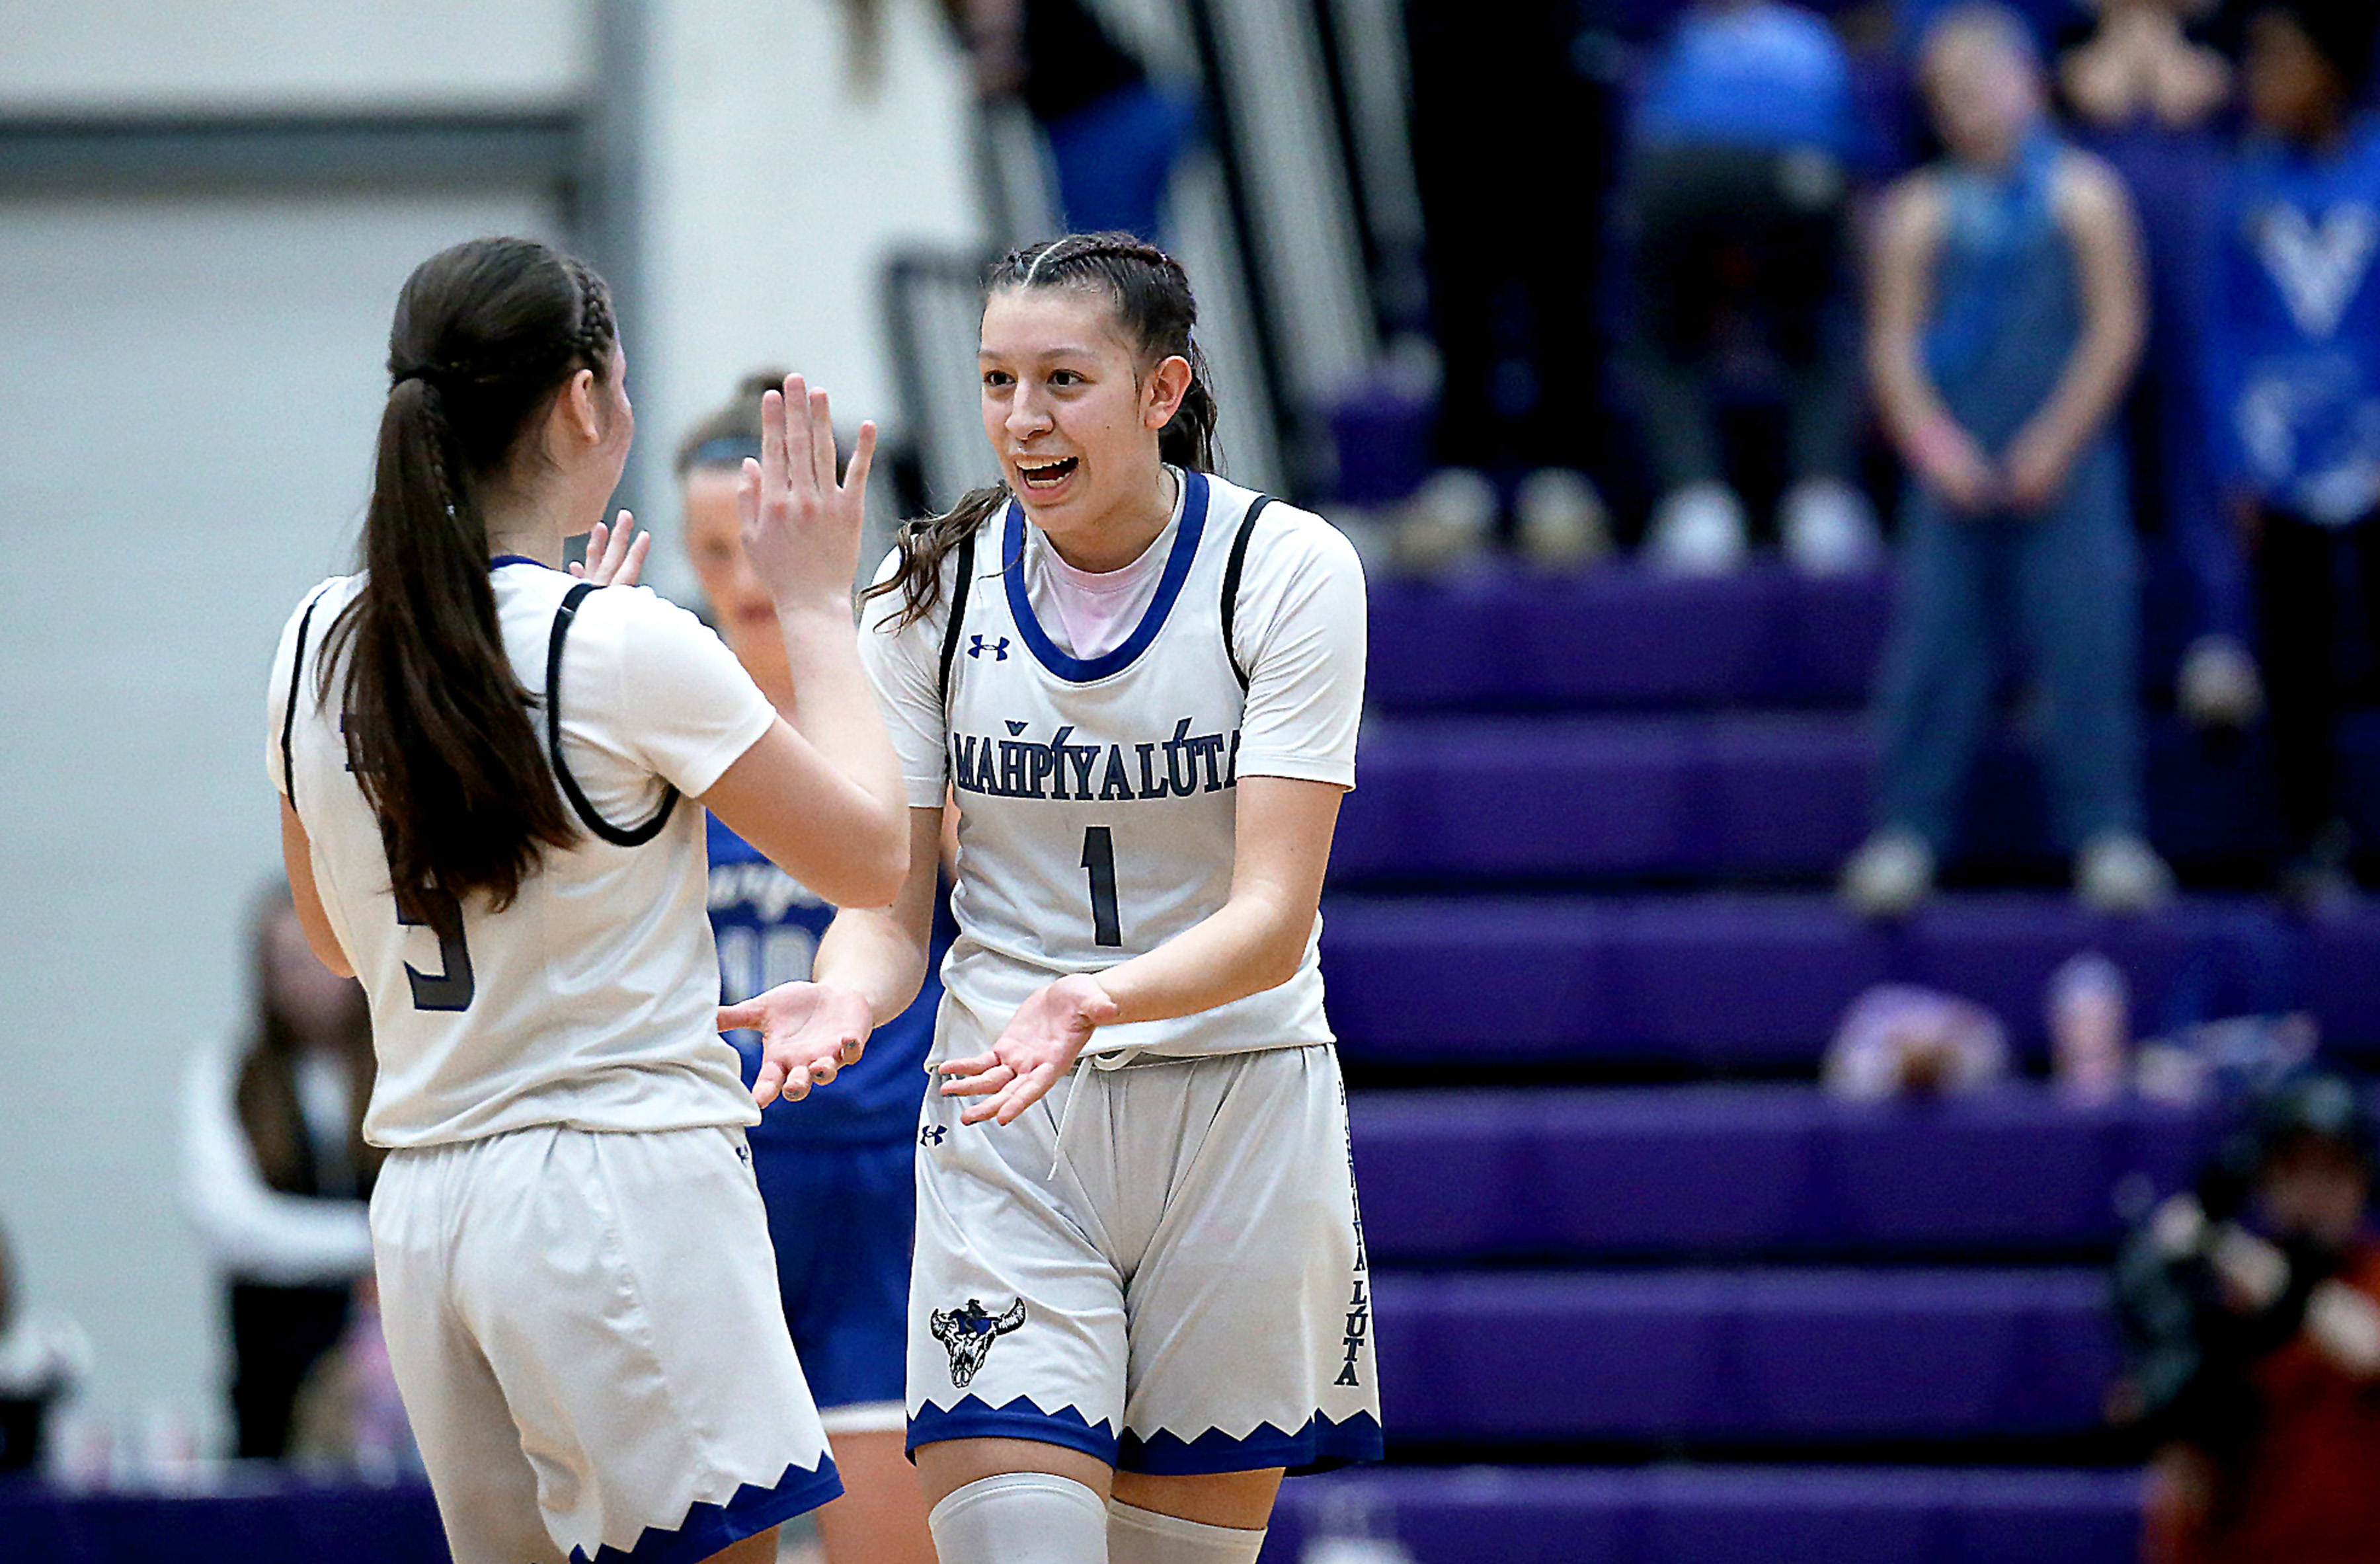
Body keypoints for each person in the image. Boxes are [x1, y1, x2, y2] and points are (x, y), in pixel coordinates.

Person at [728, 232, 1378, 1564]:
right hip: (1009, 1115)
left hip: (1239, 1108)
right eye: (995, 380)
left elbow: (1272, 912)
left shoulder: (1291, 572)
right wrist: (846, 994)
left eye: (1064, 380)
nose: (1022, 419)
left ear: (1161, 391)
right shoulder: (927, 590)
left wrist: (1100, 997)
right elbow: (892, 909)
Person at [268, 235, 908, 1564]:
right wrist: (815, 608)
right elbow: (869, 859)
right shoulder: (616, 644)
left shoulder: (319, 637)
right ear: (581, 403)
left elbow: (334, 936)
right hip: (611, 1189)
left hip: (431, 1214)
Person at [675, 375, 944, 1564]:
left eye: (760, 543)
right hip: (714, 1192)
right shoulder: (651, 710)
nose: (741, 576)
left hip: (889, 1190)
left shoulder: (916, 708)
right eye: (711, 549)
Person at [1843, 3, 2172, 916]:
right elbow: (1893, 348)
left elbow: (2116, 328)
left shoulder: (2086, 195)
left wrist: (2056, 442)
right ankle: (1907, 829)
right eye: (1952, 91)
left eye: (1989, 82)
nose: (1973, 105)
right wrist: (1937, 450)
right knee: (1933, 649)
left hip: (2066, 461)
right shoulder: (1916, 212)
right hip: (1953, 465)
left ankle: (2105, 829)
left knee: (2087, 646)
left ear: (2031, 83)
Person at [2199, 0, 2380, 906]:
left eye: (2284, 60)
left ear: (2334, 70)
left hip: (2371, 439)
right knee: (2296, 659)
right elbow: (2222, 330)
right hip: (2279, 457)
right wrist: (2236, 455)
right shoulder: (2247, 183)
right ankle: (2310, 838)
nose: (2262, 81)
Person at [1625, 0, 1882, 575]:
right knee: (1815, 328)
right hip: (1799, 174)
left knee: (1666, 337)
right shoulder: (1813, 36)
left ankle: (1696, 502)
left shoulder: (1690, 36)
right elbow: (1856, 154)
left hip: (1680, 175)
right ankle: (1823, 499)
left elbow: (1646, 139)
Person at [2117, 1070, 2380, 1564]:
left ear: (2362, 1177)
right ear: (2266, 1181)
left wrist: (2227, 1247)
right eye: (2294, 1170)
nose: (2313, 1192)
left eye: (2332, 1170)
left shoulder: (2366, 1274)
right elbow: (2179, 1485)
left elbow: (2370, 1349)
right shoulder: (2214, 1298)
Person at [180, 884, 380, 1460]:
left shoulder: (405, 1070)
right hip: (273, 1370)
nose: (307, 979)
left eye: (322, 958)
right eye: (286, 961)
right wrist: (375, 1240)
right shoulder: (227, 1072)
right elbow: (229, 1226)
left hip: (398, 1373)